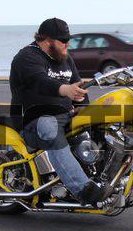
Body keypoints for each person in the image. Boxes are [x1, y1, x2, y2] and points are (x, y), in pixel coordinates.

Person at [9, 17, 109, 205]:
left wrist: (83, 109)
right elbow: (40, 82)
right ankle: (83, 190)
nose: (68, 44)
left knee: (105, 121)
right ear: (47, 41)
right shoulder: (27, 57)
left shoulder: (65, 58)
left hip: (64, 115)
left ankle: (108, 178)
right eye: (63, 40)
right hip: (33, 120)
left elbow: (78, 88)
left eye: (68, 39)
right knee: (50, 127)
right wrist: (65, 90)